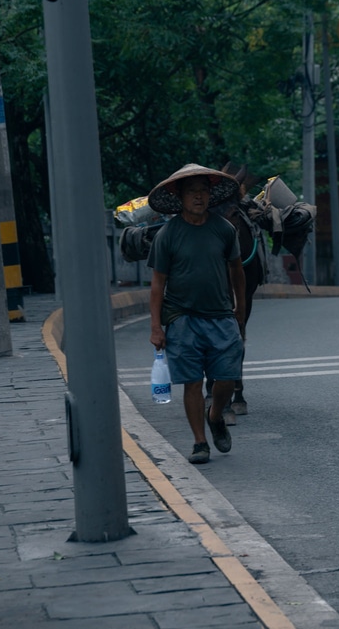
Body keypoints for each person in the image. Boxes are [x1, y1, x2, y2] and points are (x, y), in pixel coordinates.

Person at [147, 164, 246, 464]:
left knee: (227, 376)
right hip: (182, 318)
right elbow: (157, 283)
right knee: (191, 381)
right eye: (192, 192)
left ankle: (215, 414)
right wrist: (156, 327)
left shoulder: (224, 229)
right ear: (180, 197)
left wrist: (240, 309)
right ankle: (200, 441)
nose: (199, 197)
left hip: (220, 316)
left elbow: (237, 271)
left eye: (203, 191)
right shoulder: (168, 235)